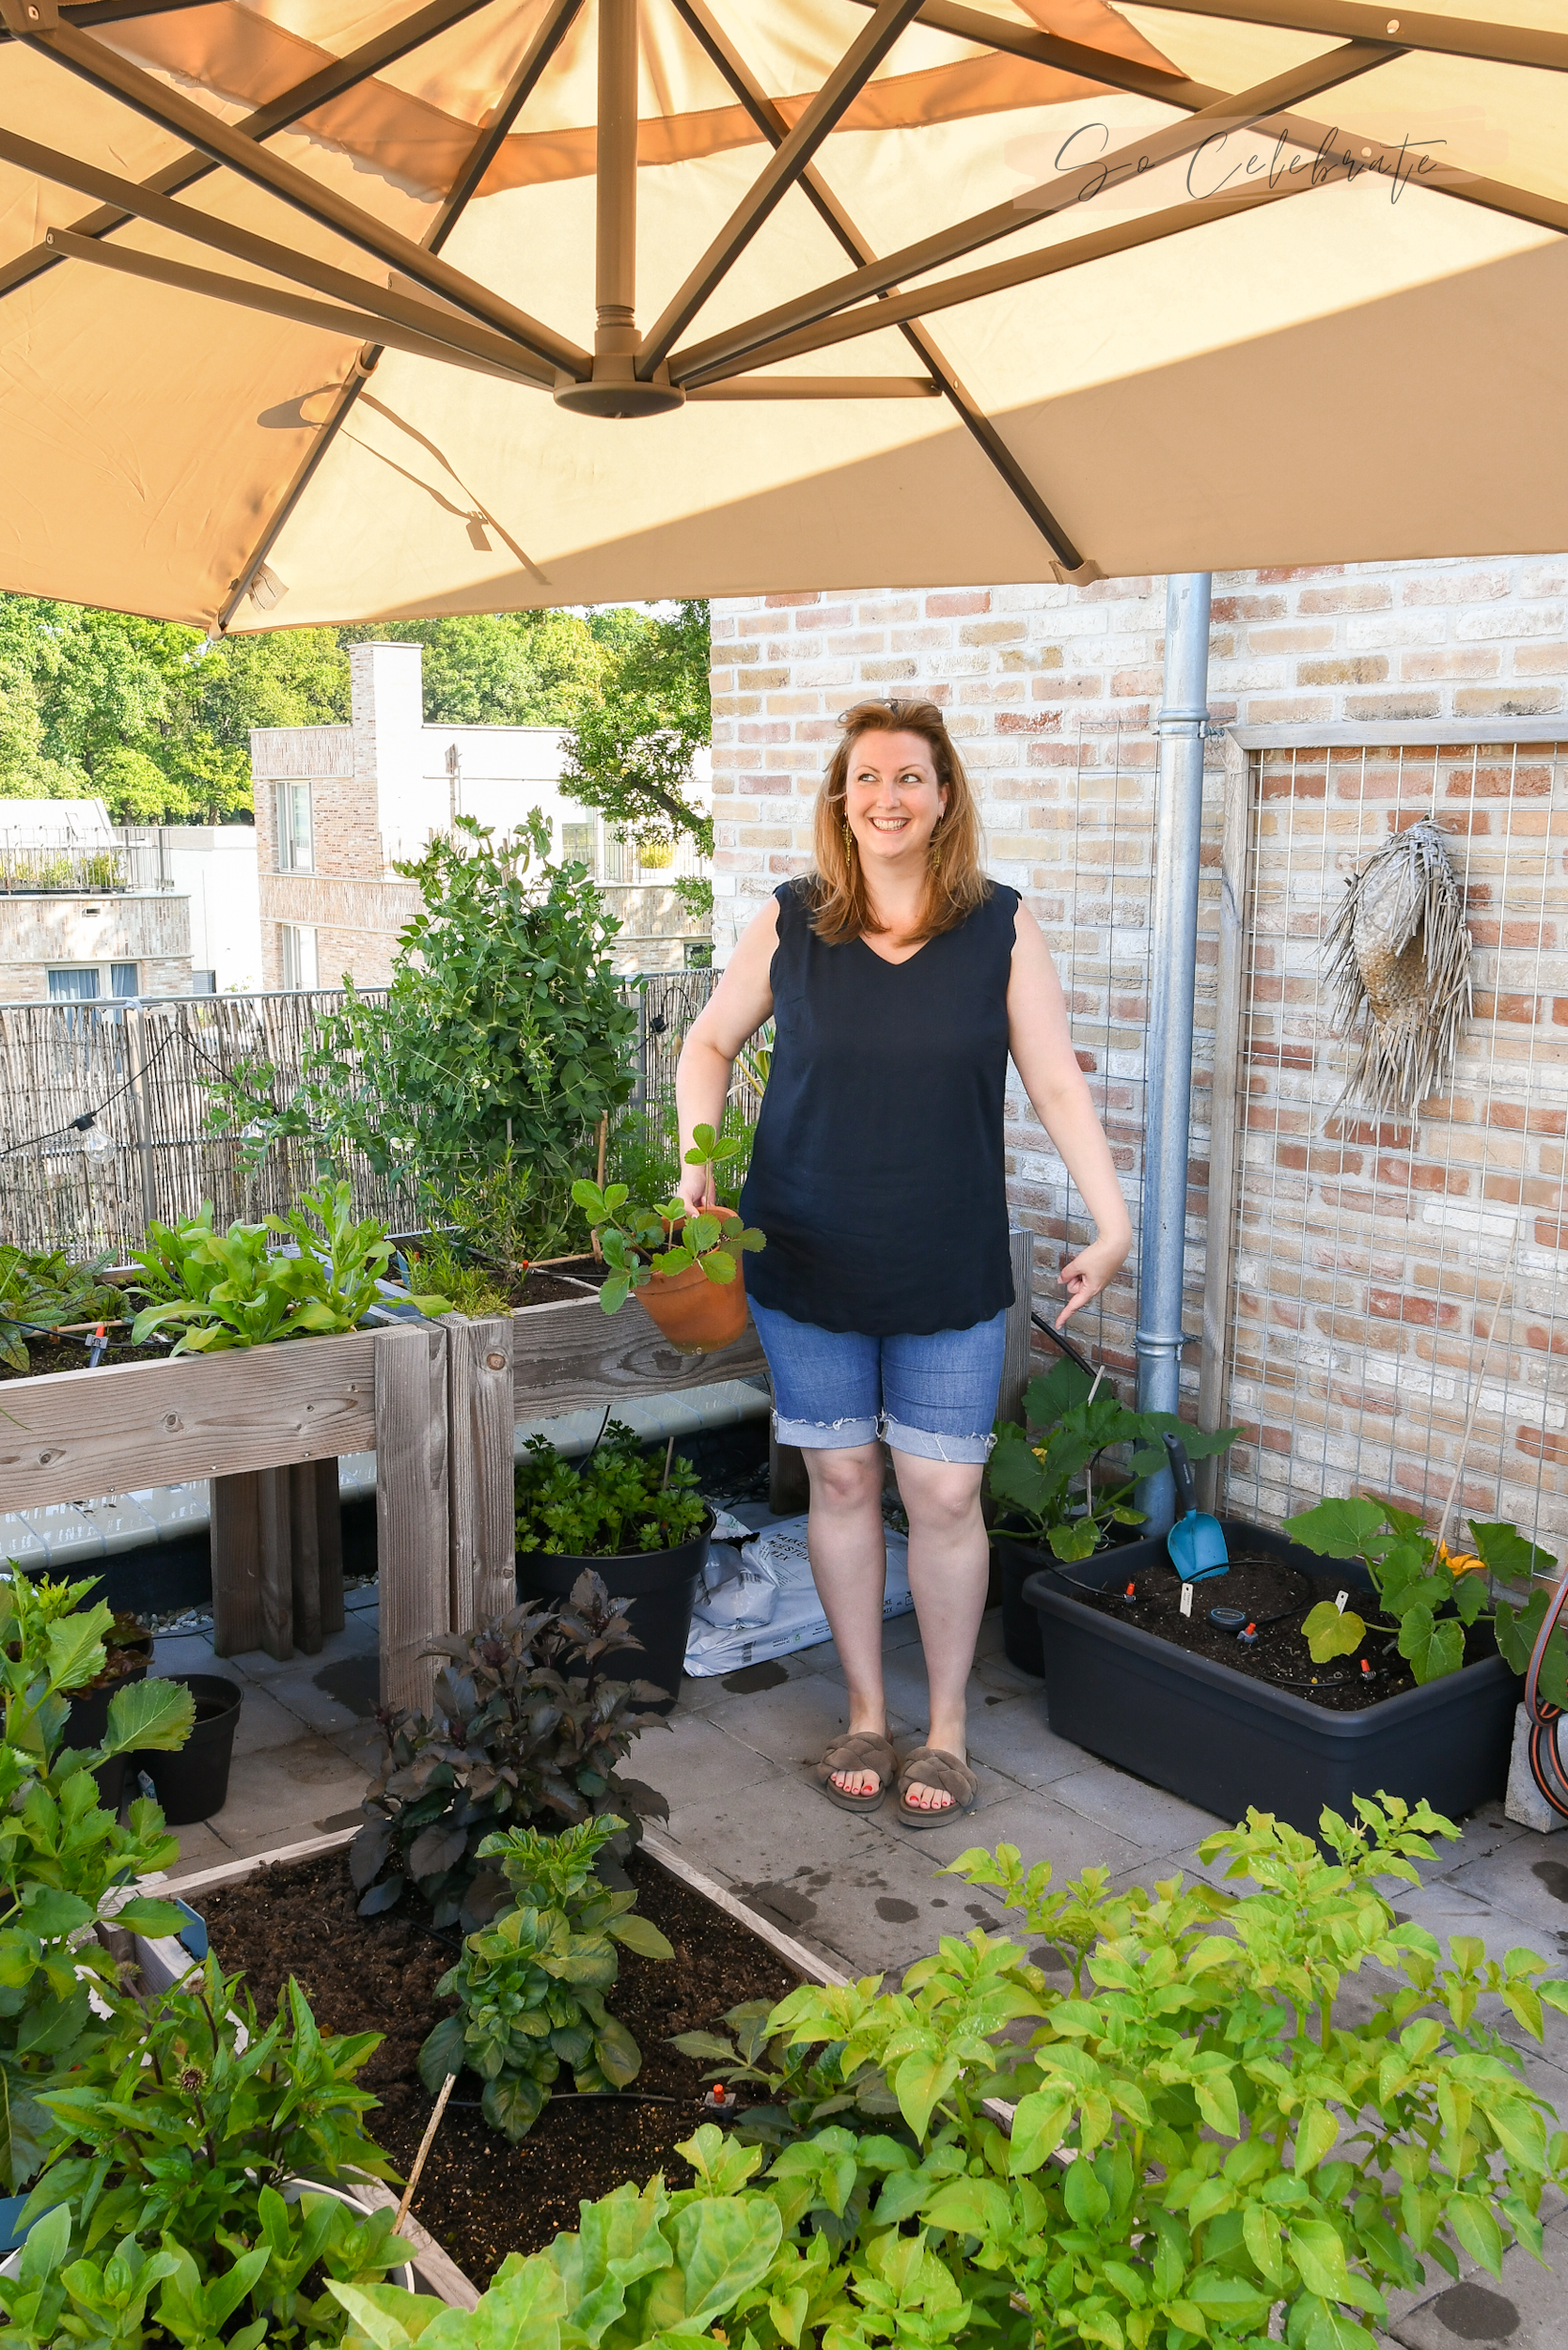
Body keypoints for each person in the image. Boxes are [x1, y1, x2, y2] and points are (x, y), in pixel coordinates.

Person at [674, 698, 1130, 1825]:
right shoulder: (792, 923)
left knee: (942, 1488)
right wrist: (695, 1165)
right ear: (842, 796)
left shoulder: (1001, 929)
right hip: (809, 1254)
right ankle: (867, 1712)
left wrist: (1112, 1218)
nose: (889, 796)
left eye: (913, 777)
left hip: (947, 1262)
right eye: (870, 776)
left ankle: (947, 1732)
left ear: (944, 796)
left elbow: (1057, 1081)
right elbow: (708, 1040)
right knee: (840, 1479)